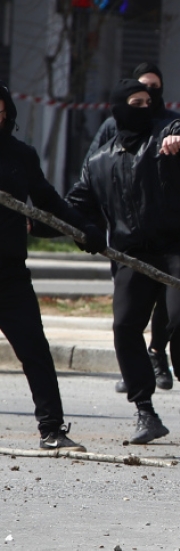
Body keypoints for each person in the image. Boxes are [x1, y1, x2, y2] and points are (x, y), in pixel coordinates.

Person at [67, 80, 180, 445]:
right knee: (124, 326)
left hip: (179, 248)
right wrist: (46, 224)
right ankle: (145, 410)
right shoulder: (101, 162)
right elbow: (73, 207)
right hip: (131, 255)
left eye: (148, 102)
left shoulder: (168, 134)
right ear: (118, 109)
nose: (143, 108)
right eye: (135, 102)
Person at [0, 83, 105, 451]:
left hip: (9, 274)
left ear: (7, 113)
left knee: (35, 351)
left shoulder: (21, 156)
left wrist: (83, 229)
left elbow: (49, 201)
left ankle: (52, 429)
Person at [85, 62, 180, 393]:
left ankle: (159, 354)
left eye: (154, 92)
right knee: (127, 320)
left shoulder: (168, 129)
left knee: (171, 308)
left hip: (167, 241)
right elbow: (89, 182)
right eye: (140, 95)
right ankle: (138, 380)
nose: (149, 101)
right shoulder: (108, 140)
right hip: (125, 242)